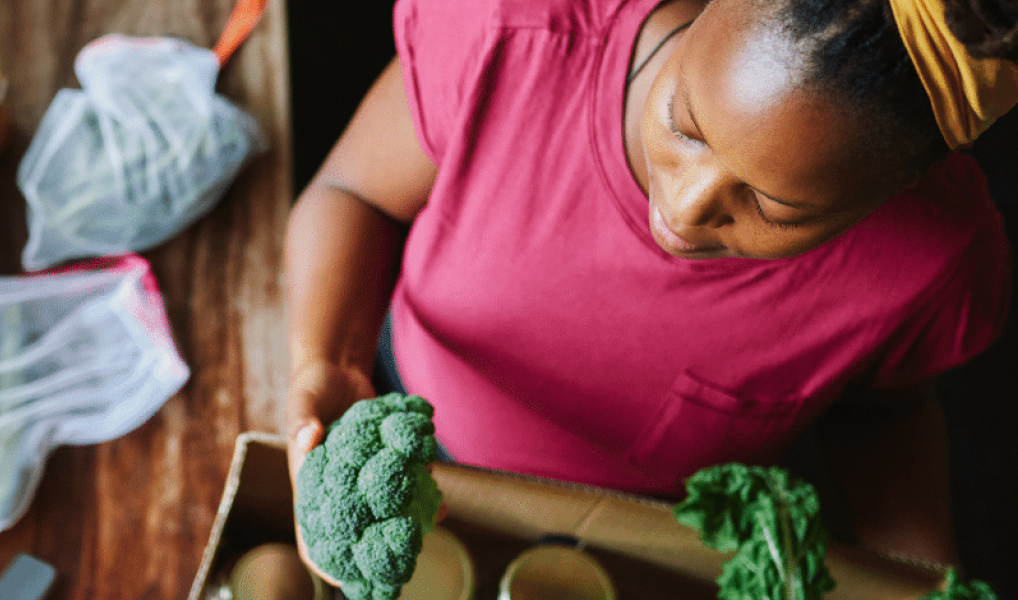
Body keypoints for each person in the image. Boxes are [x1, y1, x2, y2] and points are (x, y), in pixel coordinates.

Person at [282, 0, 1018, 583]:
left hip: (645, 539)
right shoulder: (515, 31)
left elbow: (882, 415)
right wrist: (328, 360)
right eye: (685, 122)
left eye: (775, 206)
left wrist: (926, 577)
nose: (685, 210)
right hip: (399, 413)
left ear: (897, 189)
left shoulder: (930, 264)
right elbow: (354, 192)